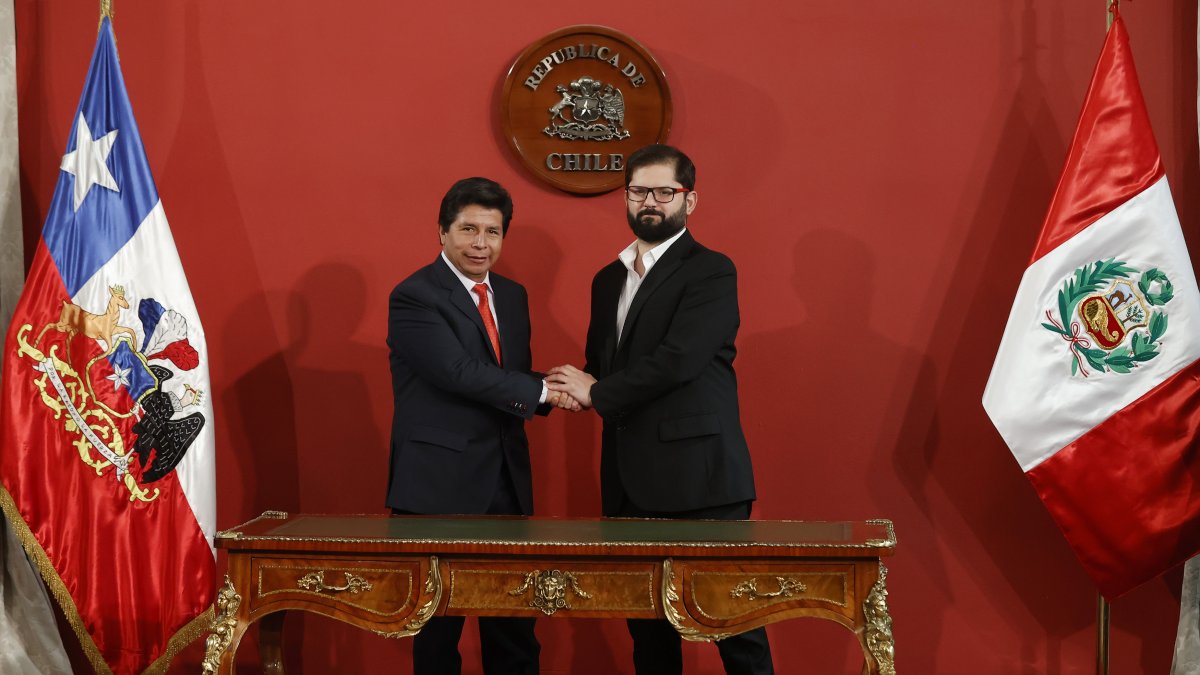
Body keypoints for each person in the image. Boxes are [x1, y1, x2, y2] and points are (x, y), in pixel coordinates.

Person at [546, 144, 774, 675]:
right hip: (628, 483)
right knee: (648, 636)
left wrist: (595, 393)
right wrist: (568, 388)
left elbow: (680, 360)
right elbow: (600, 368)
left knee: (735, 628)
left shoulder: (712, 271)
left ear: (689, 201)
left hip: (702, 483)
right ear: (625, 197)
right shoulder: (607, 280)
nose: (650, 202)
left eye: (664, 192)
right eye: (639, 191)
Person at [386, 176, 572, 675]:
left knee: (515, 633)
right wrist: (547, 393)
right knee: (437, 636)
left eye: (492, 232)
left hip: (506, 485)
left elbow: (505, 377)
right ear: (443, 232)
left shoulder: (511, 296)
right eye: (468, 229)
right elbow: (457, 372)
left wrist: (564, 385)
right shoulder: (414, 295)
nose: (480, 244)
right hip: (437, 490)